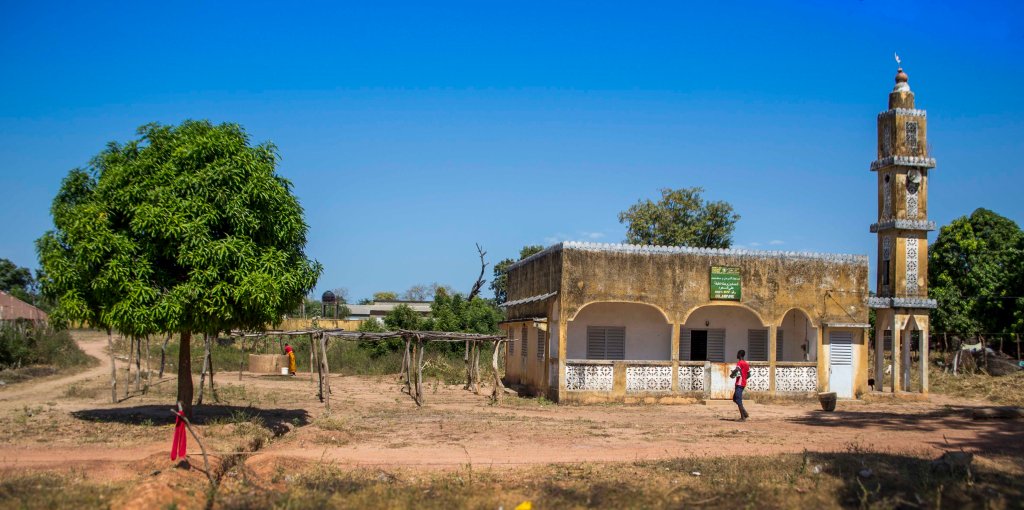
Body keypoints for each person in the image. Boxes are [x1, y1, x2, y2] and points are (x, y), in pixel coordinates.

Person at [731, 349, 750, 421]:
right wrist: (744, 377)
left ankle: (743, 417)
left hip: (739, 383)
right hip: (743, 383)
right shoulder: (746, 363)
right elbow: (749, 374)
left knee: (738, 399)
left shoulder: (740, 362)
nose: (736, 355)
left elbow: (736, 370)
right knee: (735, 399)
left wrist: (732, 374)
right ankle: (745, 413)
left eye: (737, 354)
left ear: (739, 355)